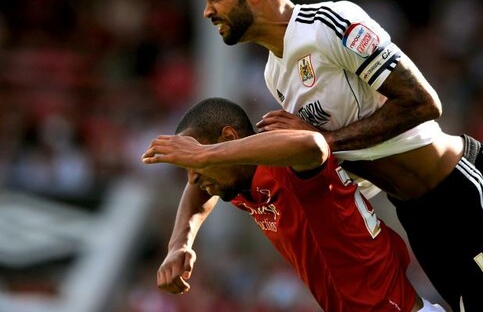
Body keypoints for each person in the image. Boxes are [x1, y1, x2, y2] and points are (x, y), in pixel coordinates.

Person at [191, 0, 483, 311]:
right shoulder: (274, 76)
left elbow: (423, 102)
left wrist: (326, 141)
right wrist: (184, 236)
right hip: (417, 216)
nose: (207, 11)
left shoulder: (329, 24)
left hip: (459, 190)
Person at [142, 97, 445, 311]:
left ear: (229, 138)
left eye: (196, 164)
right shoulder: (241, 182)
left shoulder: (283, 165)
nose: (193, 178)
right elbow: (197, 191)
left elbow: (314, 145)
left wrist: (204, 156)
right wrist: (179, 244)